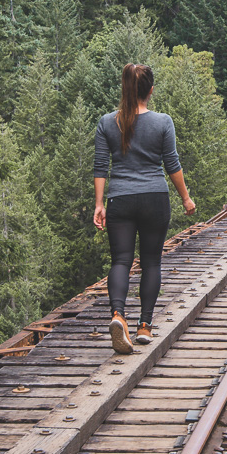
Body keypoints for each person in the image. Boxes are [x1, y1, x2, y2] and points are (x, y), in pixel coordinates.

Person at [93, 63, 196, 352]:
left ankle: (117, 316)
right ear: (150, 90)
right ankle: (145, 326)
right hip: (154, 198)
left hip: (120, 199)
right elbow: (172, 164)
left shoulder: (106, 123)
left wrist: (99, 204)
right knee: (151, 261)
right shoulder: (163, 122)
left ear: (124, 88)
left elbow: (101, 167)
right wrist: (186, 198)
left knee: (121, 261)